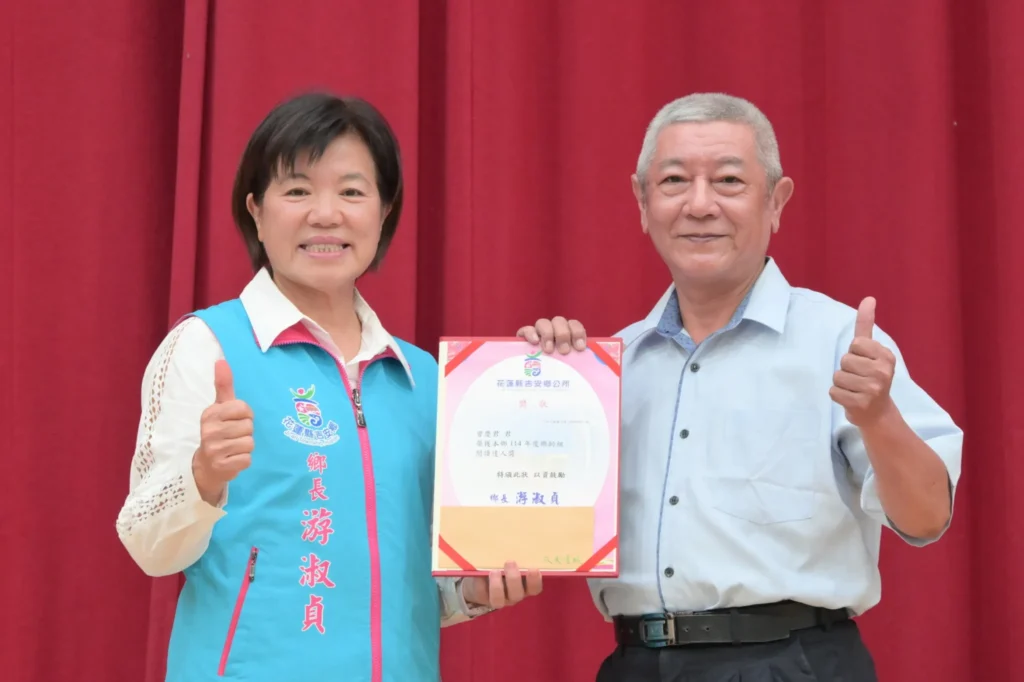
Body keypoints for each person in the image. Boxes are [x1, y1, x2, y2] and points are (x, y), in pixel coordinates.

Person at [519, 93, 962, 682]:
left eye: (728, 181)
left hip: (790, 662)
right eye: (674, 181)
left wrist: (879, 418)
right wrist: (536, 385)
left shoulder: (840, 344)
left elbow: (927, 517)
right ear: (643, 202)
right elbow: (534, 523)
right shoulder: (607, 367)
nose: (700, 204)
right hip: (636, 662)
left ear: (776, 201)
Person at [115, 92, 541, 682]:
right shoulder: (207, 346)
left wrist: (469, 592)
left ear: (384, 211)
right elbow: (147, 545)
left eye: (351, 192)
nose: (325, 214)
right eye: (297, 191)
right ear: (255, 210)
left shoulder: (424, 379)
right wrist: (202, 475)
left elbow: (392, 587)